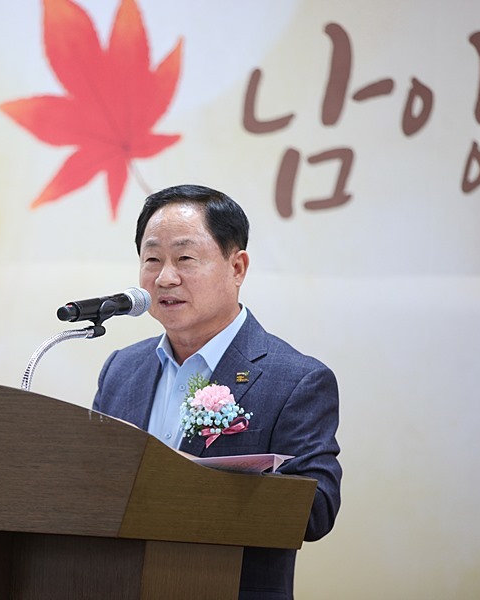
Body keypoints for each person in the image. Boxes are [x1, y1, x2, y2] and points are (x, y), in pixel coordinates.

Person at [93, 184, 341, 600]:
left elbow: (316, 510)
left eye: (185, 259)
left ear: (237, 267)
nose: (165, 278)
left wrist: (191, 480)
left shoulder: (296, 380)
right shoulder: (122, 369)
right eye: (152, 259)